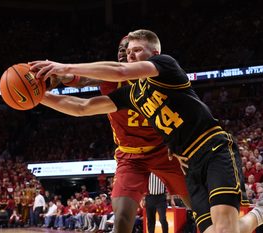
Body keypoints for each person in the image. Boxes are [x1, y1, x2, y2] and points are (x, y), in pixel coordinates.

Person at [30, 29, 263, 233]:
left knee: (225, 228)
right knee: (217, 230)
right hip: (186, 161)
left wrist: (65, 67)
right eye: (128, 52)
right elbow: (81, 107)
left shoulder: (165, 66)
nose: (131, 56)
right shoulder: (132, 93)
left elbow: (119, 69)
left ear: (153, 53)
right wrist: (36, 97)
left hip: (212, 147)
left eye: (137, 51)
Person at [47, 36, 190, 233]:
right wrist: (58, 78)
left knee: (198, 205)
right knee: (121, 220)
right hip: (130, 156)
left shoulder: (157, 73)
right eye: (122, 49)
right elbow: (85, 81)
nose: (125, 52)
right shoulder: (109, 74)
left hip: (164, 151)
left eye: (131, 49)